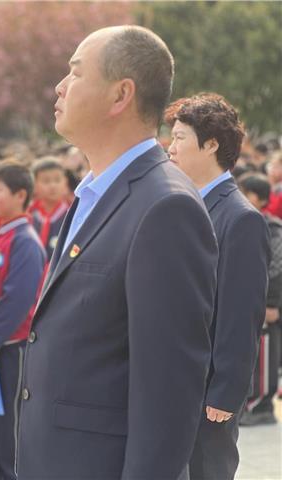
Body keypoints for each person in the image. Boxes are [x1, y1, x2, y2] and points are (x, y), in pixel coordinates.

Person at [17, 26, 218, 480]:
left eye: (75, 73)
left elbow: (169, 392)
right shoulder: (95, 192)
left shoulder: (165, 207)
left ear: (120, 94)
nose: (60, 87)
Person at [166, 93, 270, 479]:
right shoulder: (182, 202)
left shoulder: (239, 217)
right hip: (174, 378)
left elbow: (241, 312)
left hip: (207, 389)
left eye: (179, 137)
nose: (170, 147)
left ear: (211, 144)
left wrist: (226, 389)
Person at [0, 161, 46, 480]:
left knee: (8, 429)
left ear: (20, 195)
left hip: (7, 350)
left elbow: (17, 299)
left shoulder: (24, 241)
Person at [238, 173, 281, 426]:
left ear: (260, 197)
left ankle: (262, 405)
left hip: (267, 302)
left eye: (246, 192)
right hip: (250, 298)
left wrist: (272, 302)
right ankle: (250, 402)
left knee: (266, 352)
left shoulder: (272, 227)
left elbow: (276, 267)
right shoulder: (247, 220)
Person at [29, 156, 71, 259]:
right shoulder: (28, 215)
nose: (53, 185)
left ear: (65, 183)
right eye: (46, 181)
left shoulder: (72, 215)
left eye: (57, 180)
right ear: (34, 185)